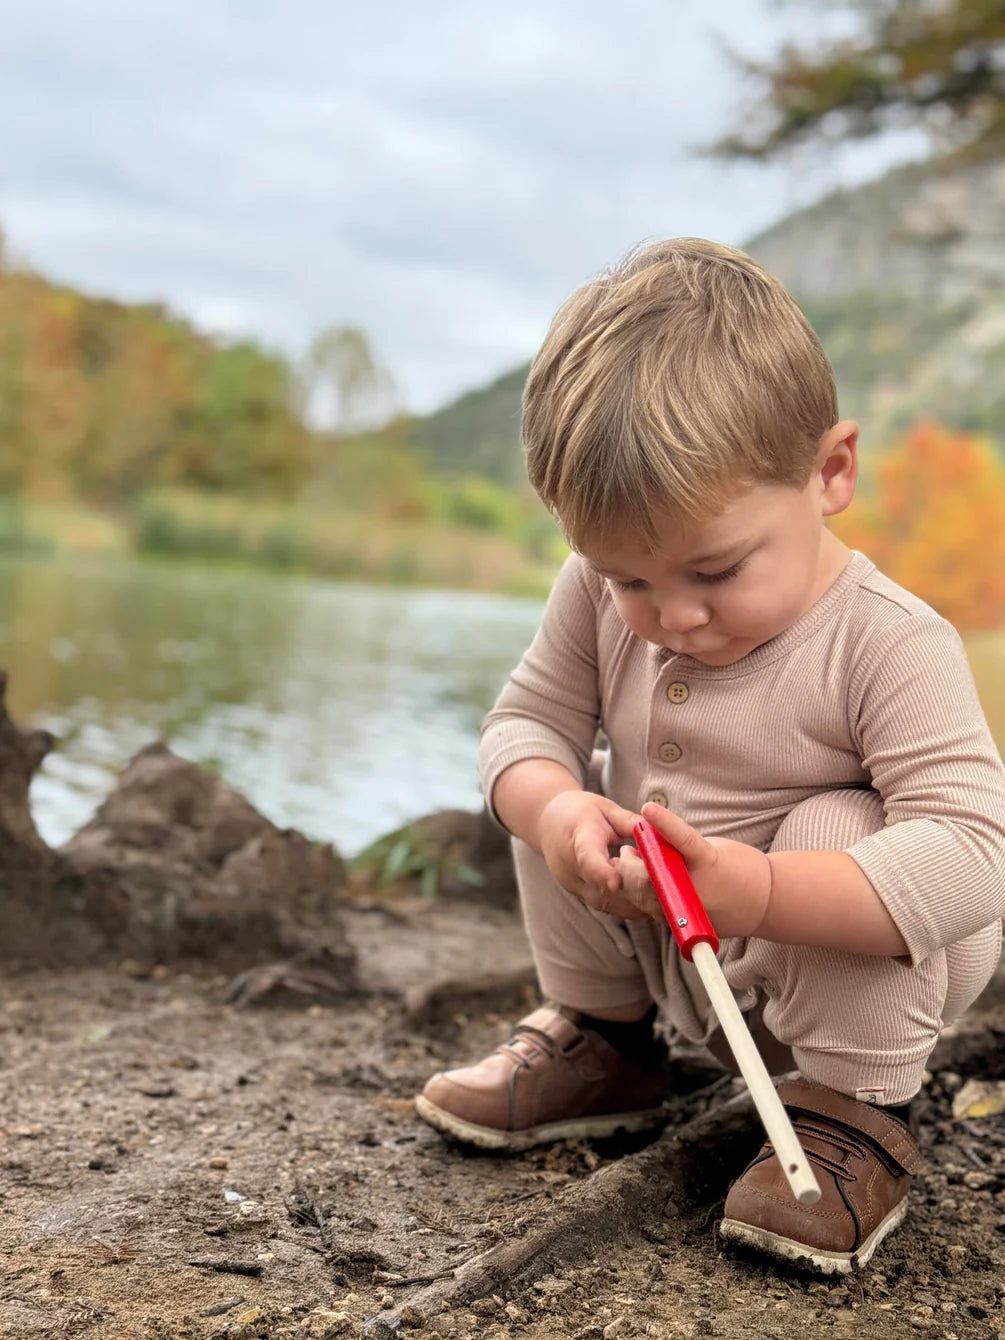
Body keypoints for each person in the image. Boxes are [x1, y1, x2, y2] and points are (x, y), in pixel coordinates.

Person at [414, 238, 1005, 1274]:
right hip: (674, 956)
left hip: (848, 985)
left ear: (829, 473)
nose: (670, 617)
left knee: (838, 823)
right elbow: (523, 723)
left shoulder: (889, 641)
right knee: (567, 788)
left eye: (715, 569)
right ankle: (609, 1042)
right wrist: (553, 810)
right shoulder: (599, 595)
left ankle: (854, 1113)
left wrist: (769, 890)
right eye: (628, 579)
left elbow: (973, 851)